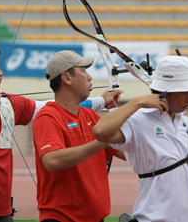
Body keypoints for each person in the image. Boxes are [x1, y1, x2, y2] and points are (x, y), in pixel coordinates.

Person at [0, 40, 121, 222]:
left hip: (2, 211)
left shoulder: (7, 104)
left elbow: (57, 104)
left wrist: (102, 101)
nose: (1, 72)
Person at [93, 55, 188, 222]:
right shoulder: (138, 118)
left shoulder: (187, 123)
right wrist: (137, 102)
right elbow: (100, 131)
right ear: (164, 92)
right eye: (185, 91)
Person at [32, 50, 125, 222]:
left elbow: (127, 152)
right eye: (83, 71)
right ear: (66, 78)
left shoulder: (90, 115)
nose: (89, 77)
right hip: (61, 218)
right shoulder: (48, 116)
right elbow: (52, 160)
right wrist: (100, 143)